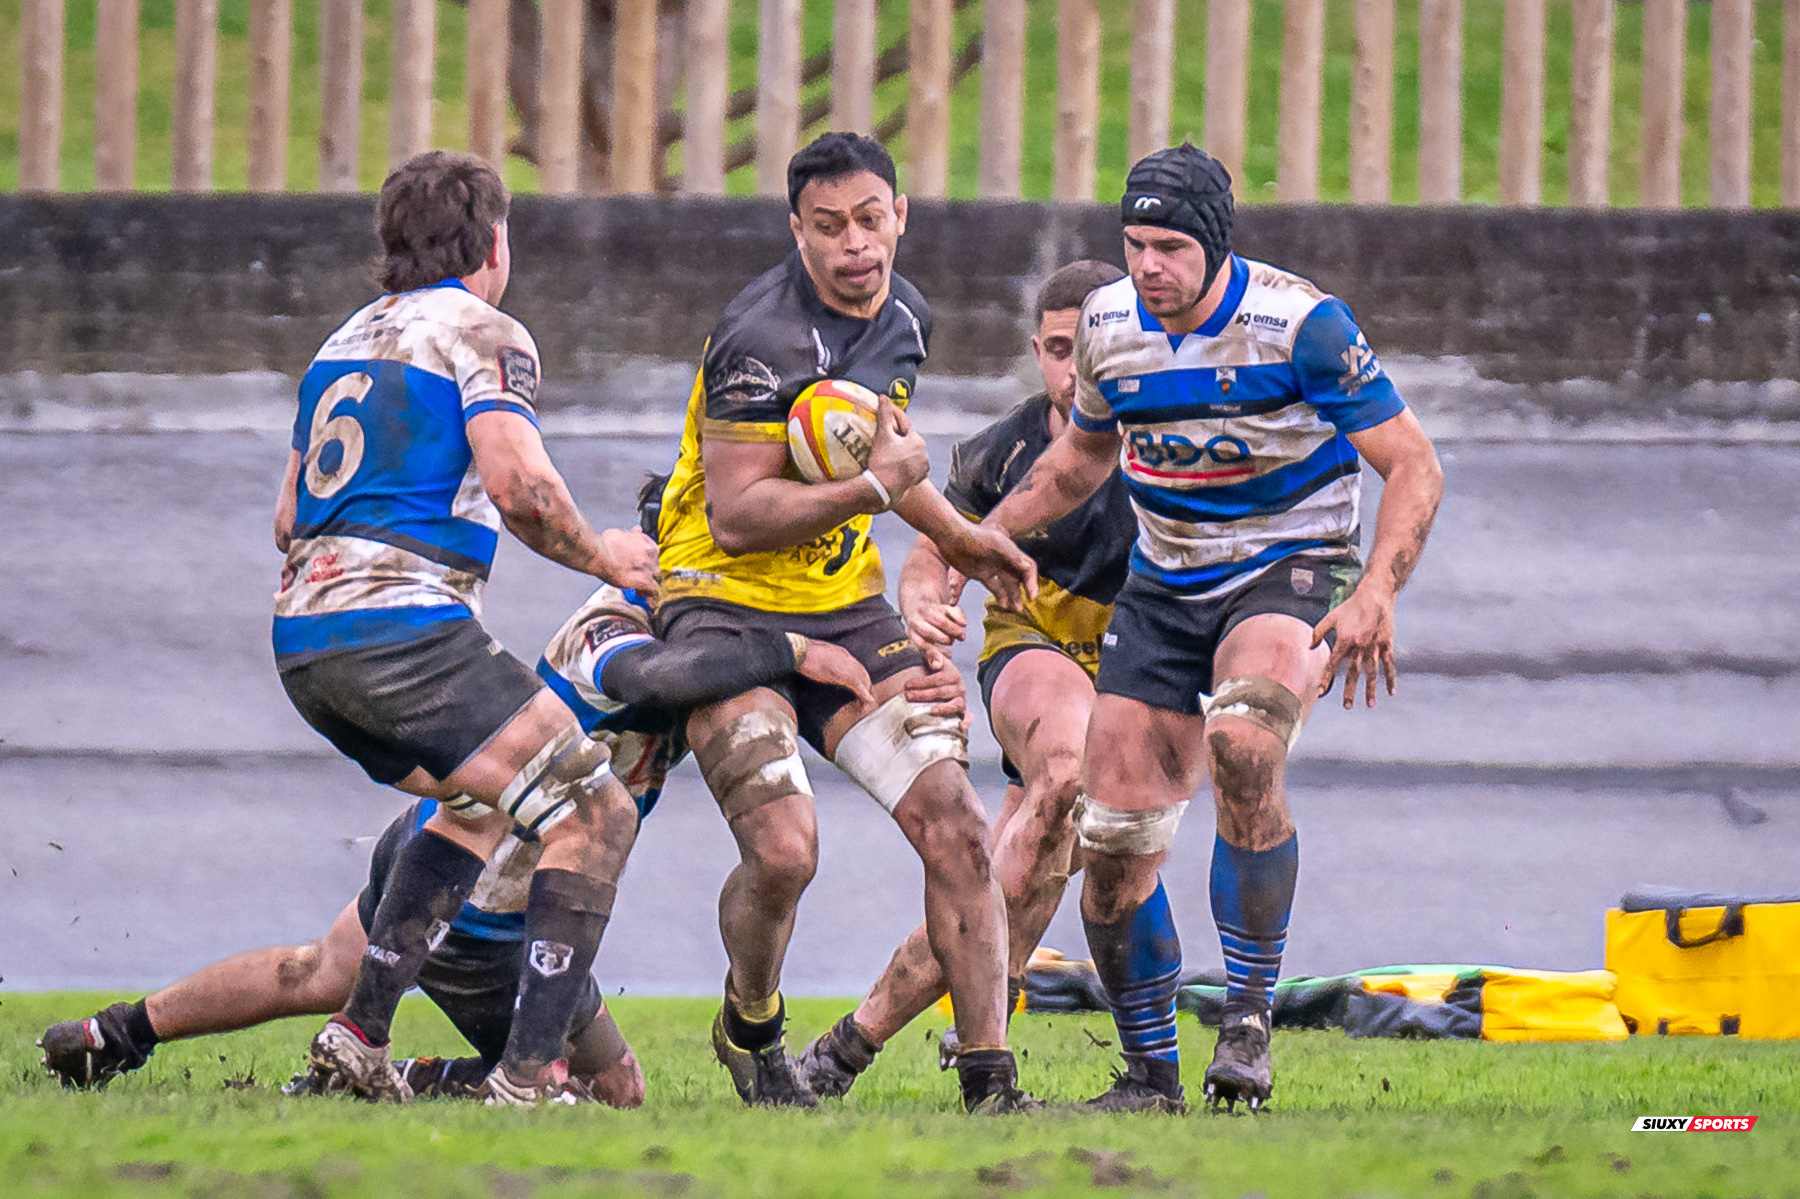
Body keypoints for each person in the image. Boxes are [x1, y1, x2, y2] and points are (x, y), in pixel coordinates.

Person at [39, 563, 884, 1106]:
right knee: (611, 1091)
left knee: (317, 970)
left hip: (452, 850)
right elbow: (656, 675)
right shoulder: (611, 626)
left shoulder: (706, 647)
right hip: (486, 904)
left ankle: (115, 1033)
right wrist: (790, 647)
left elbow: (739, 695)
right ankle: (417, 1083)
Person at [979, 145, 1444, 1113]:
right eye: (1135, 243)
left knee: (1242, 740)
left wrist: (1379, 591)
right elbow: (1079, 461)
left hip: (1290, 562)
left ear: (1216, 244)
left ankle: (1247, 1017)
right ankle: (1151, 1074)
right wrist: (974, 538)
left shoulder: (1300, 325)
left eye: (1171, 246)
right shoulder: (1110, 325)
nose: (1149, 265)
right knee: (1107, 847)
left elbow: (1414, 464)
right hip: (1167, 581)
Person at [652, 132, 1040, 1112]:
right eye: (828, 227)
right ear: (796, 230)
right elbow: (740, 516)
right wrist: (880, 484)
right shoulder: (758, 339)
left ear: (900, 214)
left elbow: (876, 461)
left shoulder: (903, 319)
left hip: (845, 605)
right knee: (785, 851)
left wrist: (963, 536)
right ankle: (751, 1022)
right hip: (720, 606)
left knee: (957, 823)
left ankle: (989, 1081)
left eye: (871, 219)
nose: (854, 244)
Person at [271, 150, 659, 1106]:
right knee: (595, 808)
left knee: (478, 801)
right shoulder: (486, 332)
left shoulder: (343, 342)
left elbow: (286, 519)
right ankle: (529, 1080)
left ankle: (358, 1035)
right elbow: (521, 486)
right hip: (404, 630)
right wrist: (608, 559)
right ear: (494, 240)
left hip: (303, 641)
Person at [797, 260, 1137, 1098]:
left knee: (1012, 875)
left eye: (1089, 348)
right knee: (1063, 775)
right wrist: (925, 613)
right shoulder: (1002, 450)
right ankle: (980, 1031)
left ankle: (848, 1045)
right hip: (1038, 648)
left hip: (1143, 671)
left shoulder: (1175, 440)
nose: (1074, 369)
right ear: (1039, 350)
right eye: (1059, 349)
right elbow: (929, 559)